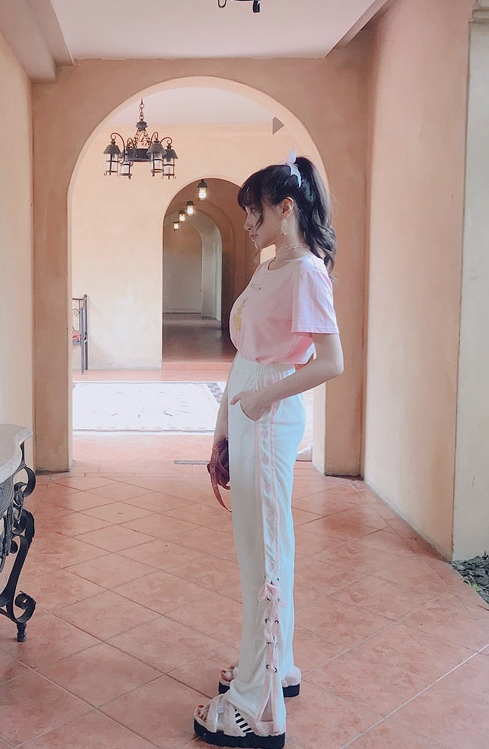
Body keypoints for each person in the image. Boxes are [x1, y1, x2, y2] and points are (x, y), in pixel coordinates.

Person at [194, 152, 344, 749]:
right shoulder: (271, 267)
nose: (248, 221)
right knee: (263, 547)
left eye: (254, 211)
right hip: (249, 410)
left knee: (265, 551)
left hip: (269, 415)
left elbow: (330, 362)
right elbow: (247, 356)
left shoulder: (306, 271)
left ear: (286, 208)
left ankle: (257, 709)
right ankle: (272, 667)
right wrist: (223, 426)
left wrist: (258, 402)